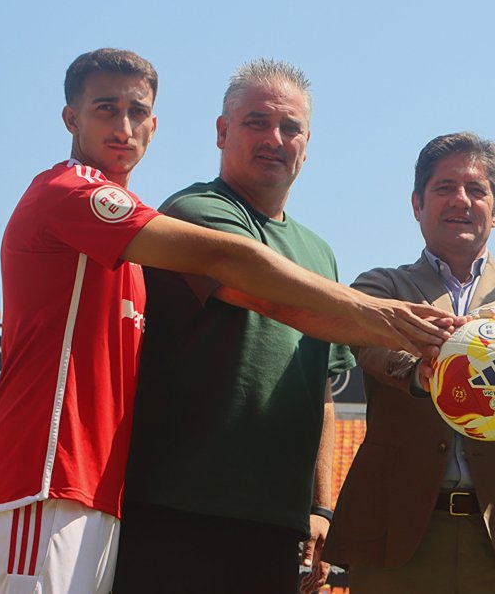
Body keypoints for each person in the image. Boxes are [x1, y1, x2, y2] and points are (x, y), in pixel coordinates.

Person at [0, 49, 454, 594]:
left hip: (101, 484)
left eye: (137, 111)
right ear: (70, 118)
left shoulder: (128, 225)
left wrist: (318, 502)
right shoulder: (77, 194)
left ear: (155, 124)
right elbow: (245, 275)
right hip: (54, 472)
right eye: (106, 108)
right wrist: (388, 316)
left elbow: (319, 383)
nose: (124, 127)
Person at [110, 58, 373, 593]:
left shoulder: (319, 254)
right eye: (256, 122)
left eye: (290, 126)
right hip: (171, 511)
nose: (274, 138)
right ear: (222, 131)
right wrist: (388, 321)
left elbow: (321, 394)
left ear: (307, 141)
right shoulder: (193, 210)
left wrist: (320, 505)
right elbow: (260, 285)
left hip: (275, 526)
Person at [323, 132, 495, 593]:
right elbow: (371, 343)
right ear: (417, 204)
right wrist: (422, 370)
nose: (460, 200)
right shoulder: (381, 286)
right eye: (444, 188)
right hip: (400, 540)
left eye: (476, 189)